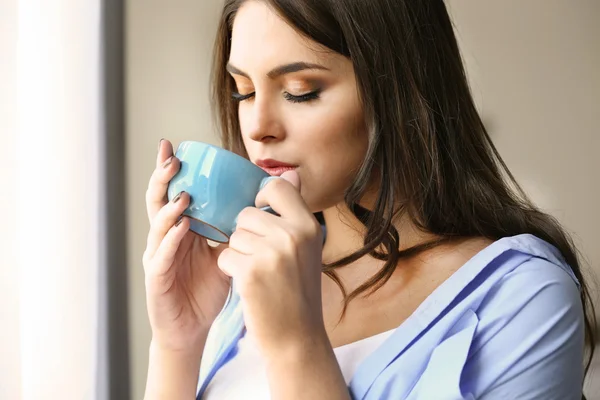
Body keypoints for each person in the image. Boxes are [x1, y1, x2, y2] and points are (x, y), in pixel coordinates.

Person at [142, 1, 596, 399]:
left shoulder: (522, 298)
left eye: (301, 91)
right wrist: (178, 343)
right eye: (244, 90)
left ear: (399, 88)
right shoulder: (248, 278)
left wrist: (295, 345)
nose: (258, 125)